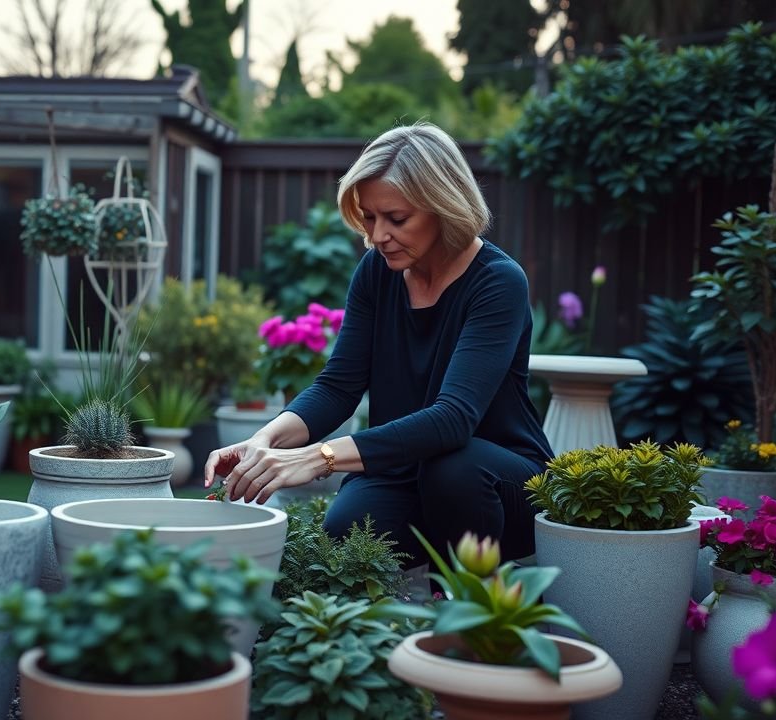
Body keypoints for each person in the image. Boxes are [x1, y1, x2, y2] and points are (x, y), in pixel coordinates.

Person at [203, 123, 552, 566]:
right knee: (346, 528)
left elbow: (453, 420)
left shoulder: (498, 282)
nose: (377, 234)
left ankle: (467, 610)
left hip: (498, 479)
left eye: (396, 218)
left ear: (443, 207)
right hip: (405, 468)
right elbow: (338, 387)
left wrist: (320, 458)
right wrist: (265, 440)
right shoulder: (377, 271)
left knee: (453, 470)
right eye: (369, 216)